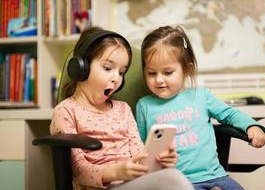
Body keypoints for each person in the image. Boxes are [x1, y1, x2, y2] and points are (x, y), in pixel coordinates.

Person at [50, 27, 195, 190]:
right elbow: (78, 172)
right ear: (81, 68)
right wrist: (116, 172)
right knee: (172, 179)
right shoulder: (66, 111)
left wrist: (158, 161)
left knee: (171, 176)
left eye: (121, 72)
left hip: (131, 183)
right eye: (107, 68)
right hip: (100, 186)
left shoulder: (123, 109)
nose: (116, 79)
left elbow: (139, 154)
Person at [136, 25, 265, 190]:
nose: (159, 80)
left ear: (186, 69)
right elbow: (139, 147)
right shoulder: (144, 105)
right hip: (175, 183)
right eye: (151, 73)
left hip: (214, 176)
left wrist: (251, 125)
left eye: (168, 72)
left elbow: (229, 114)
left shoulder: (202, 96)